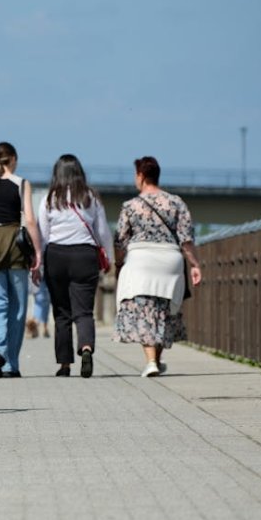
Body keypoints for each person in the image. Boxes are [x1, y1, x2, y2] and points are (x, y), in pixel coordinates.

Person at [112, 156, 202, 377]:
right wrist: (195, 264)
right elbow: (186, 239)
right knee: (163, 309)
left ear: (141, 176)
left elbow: (120, 240)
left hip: (141, 260)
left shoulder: (130, 206)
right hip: (170, 260)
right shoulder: (176, 202)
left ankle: (151, 361)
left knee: (144, 310)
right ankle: (156, 360)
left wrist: (119, 263)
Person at [38, 154, 112, 378]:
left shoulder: (49, 198)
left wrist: (39, 263)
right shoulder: (90, 197)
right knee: (84, 311)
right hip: (84, 255)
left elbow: (42, 235)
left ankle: (64, 364)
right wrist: (108, 257)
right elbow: (102, 232)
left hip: (57, 256)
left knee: (61, 314)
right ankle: (86, 348)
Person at [0, 142, 42, 378]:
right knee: (18, 307)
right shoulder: (22, 184)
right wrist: (38, 253)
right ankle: (10, 364)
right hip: (15, 244)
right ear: (13, 159)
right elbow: (30, 220)